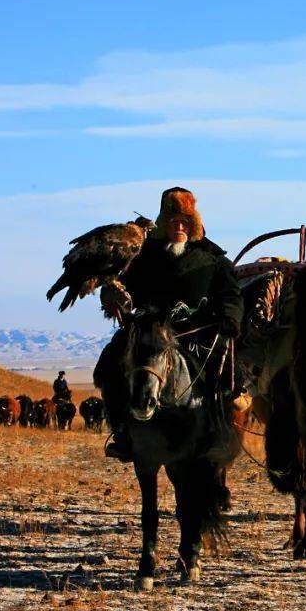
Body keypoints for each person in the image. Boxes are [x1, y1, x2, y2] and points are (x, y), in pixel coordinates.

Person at [95, 187, 244, 461]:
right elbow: (123, 288)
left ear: (193, 224)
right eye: (173, 221)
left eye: (185, 221)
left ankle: (217, 433)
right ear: (163, 223)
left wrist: (230, 318)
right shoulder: (142, 257)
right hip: (148, 332)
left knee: (230, 379)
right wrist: (112, 295)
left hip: (199, 334)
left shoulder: (212, 258)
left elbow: (231, 294)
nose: (179, 226)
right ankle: (123, 432)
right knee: (108, 365)